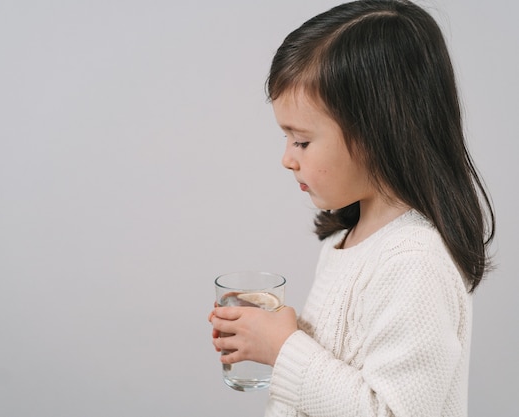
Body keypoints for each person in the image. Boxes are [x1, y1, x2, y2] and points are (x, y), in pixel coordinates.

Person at [208, 1, 495, 416]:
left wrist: (284, 348)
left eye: (301, 141)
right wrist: (277, 334)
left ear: (378, 133)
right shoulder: (349, 241)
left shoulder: (415, 263)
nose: (287, 159)